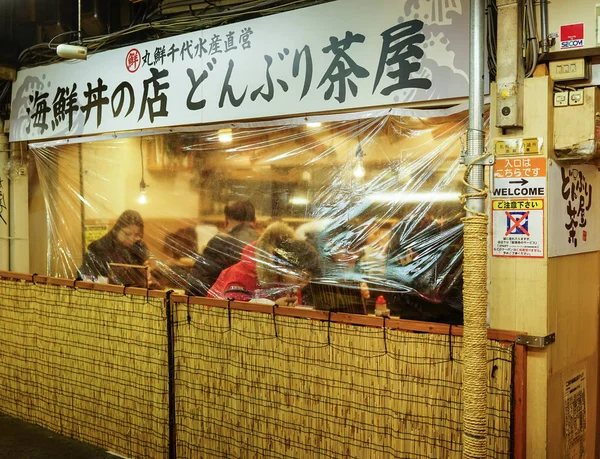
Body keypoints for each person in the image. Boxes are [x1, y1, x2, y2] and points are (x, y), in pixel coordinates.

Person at [207, 222, 320, 306]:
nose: (303, 284)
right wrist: (273, 307)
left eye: (308, 279)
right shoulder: (241, 274)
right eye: (302, 277)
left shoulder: (287, 281)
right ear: (284, 266)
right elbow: (233, 312)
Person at [186, 200, 259, 296]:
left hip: (224, 306)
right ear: (254, 221)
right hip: (256, 307)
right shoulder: (262, 244)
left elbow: (195, 283)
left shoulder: (221, 242)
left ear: (226, 220)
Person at [79, 210, 150, 287]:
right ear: (117, 229)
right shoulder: (98, 248)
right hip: (107, 292)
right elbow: (89, 276)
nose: (132, 238)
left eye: (136, 235)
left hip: (135, 293)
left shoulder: (138, 246)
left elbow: (145, 271)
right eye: (127, 234)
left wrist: (146, 271)